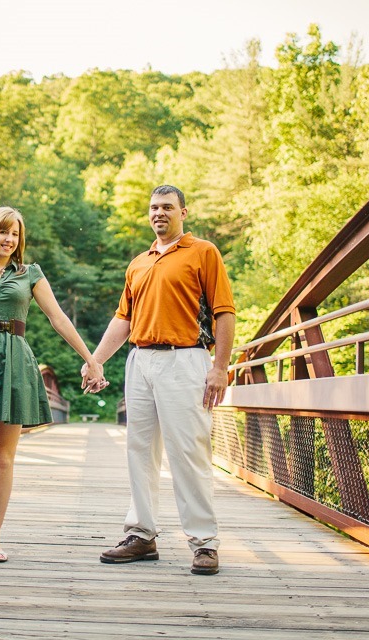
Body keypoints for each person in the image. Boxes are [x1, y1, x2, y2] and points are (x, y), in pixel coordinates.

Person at [81, 185, 235, 575]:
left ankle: (204, 542)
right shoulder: (139, 262)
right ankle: (142, 535)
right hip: (141, 361)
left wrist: (219, 367)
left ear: (185, 211)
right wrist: (95, 360)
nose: (159, 213)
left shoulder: (203, 252)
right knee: (140, 450)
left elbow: (224, 313)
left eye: (167, 207)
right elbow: (123, 319)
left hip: (185, 360)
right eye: (153, 207)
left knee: (189, 451)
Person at [0, 205, 104, 564]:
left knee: (5, 459)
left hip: (15, 364)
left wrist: (91, 359)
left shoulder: (31, 274)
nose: (9, 239)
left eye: (15, 234)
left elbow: (57, 317)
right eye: (3, 232)